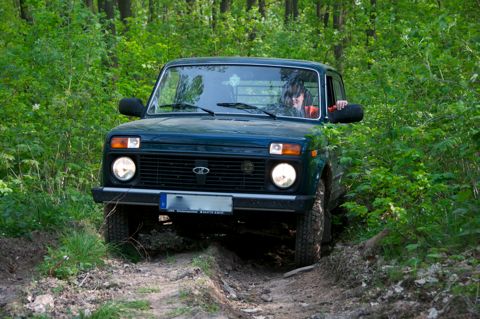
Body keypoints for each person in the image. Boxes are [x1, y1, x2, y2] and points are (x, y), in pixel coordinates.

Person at [281, 79, 348, 118]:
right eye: (290, 95)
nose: (293, 98)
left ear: (303, 96)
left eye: (297, 94)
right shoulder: (278, 112)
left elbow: (329, 111)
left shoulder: (311, 111)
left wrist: (341, 104)